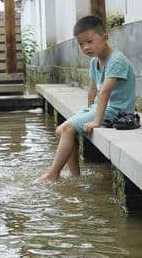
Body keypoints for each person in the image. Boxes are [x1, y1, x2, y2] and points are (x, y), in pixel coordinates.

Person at [34, 16, 136, 183]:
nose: (85, 47)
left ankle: (53, 173)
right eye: (81, 44)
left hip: (118, 111)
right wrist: (88, 111)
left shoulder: (116, 60)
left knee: (67, 130)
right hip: (102, 109)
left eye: (90, 41)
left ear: (104, 37)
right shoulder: (95, 61)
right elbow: (92, 90)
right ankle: (76, 176)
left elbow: (104, 92)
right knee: (61, 130)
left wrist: (96, 121)